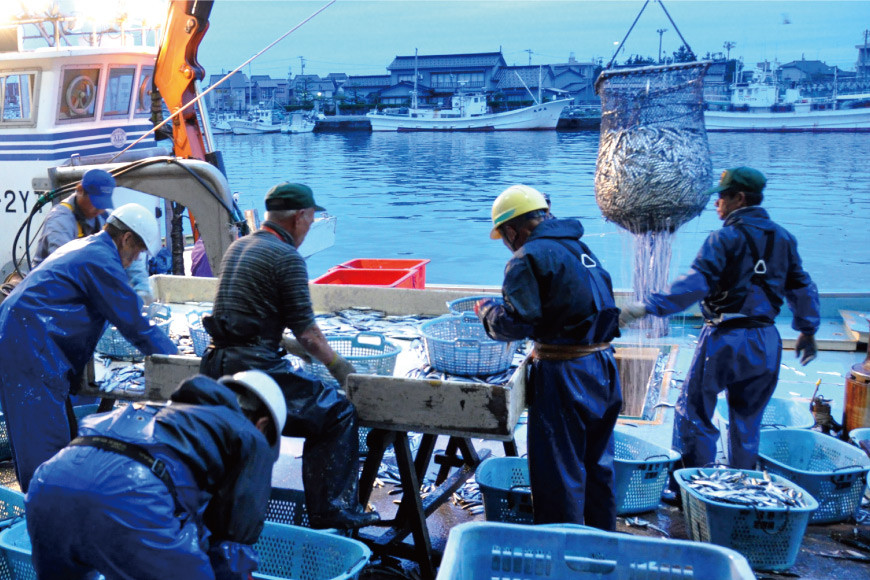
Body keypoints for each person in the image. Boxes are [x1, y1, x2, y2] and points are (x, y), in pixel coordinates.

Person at [619, 167, 820, 491]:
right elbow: (801, 287)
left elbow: (696, 285)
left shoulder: (723, 239)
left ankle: (691, 484)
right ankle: (743, 486)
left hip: (724, 338)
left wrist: (648, 306)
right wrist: (808, 330)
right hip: (766, 341)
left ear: (739, 199)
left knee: (694, 412)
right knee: (748, 419)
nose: (717, 204)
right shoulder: (783, 238)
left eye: (722, 197)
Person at [199, 182, 379, 530]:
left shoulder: (240, 246)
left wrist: (287, 345)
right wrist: (344, 371)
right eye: (310, 221)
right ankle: (330, 510)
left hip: (215, 363)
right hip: (254, 370)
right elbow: (310, 335)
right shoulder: (287, 257)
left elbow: (249, 316)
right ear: (299, 217)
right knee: (337, 412)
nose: (309, 229)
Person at [25, 371, 285, 580]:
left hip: (49, 482)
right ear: (263, 425)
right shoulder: (252, 438)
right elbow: (233, 543)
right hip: (131, 493)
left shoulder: (170, 412)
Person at [0, 203, 178, 492]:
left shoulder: (90, 247)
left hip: (28, 340)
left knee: (63, 440)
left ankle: (52, 512)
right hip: (29, 347)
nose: (135, 260)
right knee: (45, 451)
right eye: (138, 251)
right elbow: (134, 322)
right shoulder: (101, 260)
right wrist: (179, 363)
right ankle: (44, 518)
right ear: (127, 239)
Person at [475, 184, 623, 530]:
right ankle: (603, 551)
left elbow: (519, 322)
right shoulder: (580, 249)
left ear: (513, 230)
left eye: (507, 236)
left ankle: (562, 558)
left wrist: (488, 312)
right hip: (603, 367)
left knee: (560, 474)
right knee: (598, 467)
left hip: (565, 373)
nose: (509, 244)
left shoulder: (527, 257)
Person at [31, 168, 155, 303]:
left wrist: (142, 288)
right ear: (80, 190)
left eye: (103, 204)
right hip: (49, 294)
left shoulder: (102, 216)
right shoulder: (60, 220)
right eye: (96, 204)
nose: (99, 209)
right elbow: (65, 267)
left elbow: (128, 250)